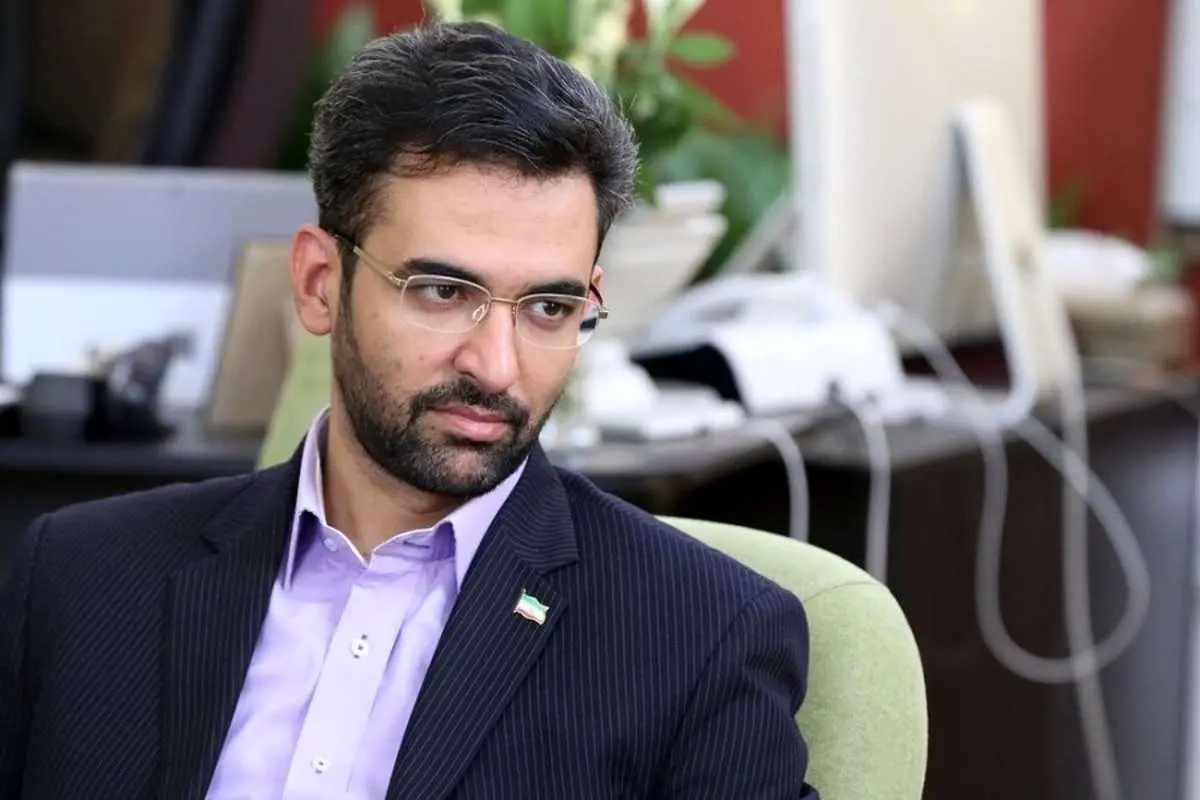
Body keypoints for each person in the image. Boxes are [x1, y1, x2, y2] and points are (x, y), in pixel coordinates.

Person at [0, 21, 818, 800]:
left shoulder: (702, 640)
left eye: (548, 308)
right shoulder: (81, 580)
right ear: (320, 283)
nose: (496, 366)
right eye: (442, 292)